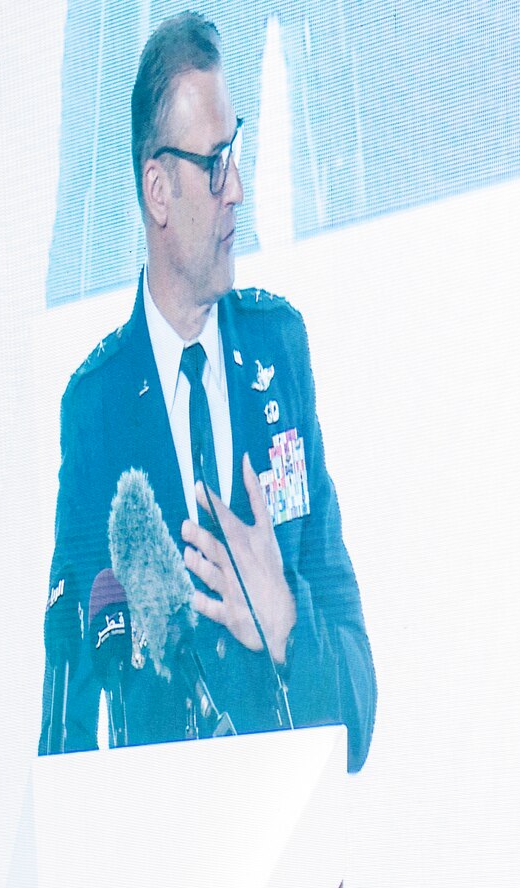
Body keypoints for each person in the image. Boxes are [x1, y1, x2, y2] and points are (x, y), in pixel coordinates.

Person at [40, 10, 377, 772]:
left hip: (294, 867)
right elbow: (63, 715)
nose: (239, 190)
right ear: (157, 188)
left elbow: (359, 714)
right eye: (215, 162)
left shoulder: (280, 354)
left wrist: (288, 622)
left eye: (238, 152)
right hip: (166, 873)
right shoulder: (92, 410)